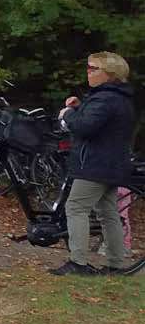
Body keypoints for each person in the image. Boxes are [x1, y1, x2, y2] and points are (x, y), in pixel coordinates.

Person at [52, 52, 136, 276]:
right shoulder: (116, 97)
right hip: (112, 164)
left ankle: (77, 262)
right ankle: (116, 263)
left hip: (95, 164)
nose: (88, 72)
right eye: (88, 67)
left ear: (109, 74)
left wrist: (68, 114)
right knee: (108, 212)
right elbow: (97, 122)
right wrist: (80, 107)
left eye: (93, 68)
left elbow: (84, 127)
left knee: (76, 207)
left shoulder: (105, 98)